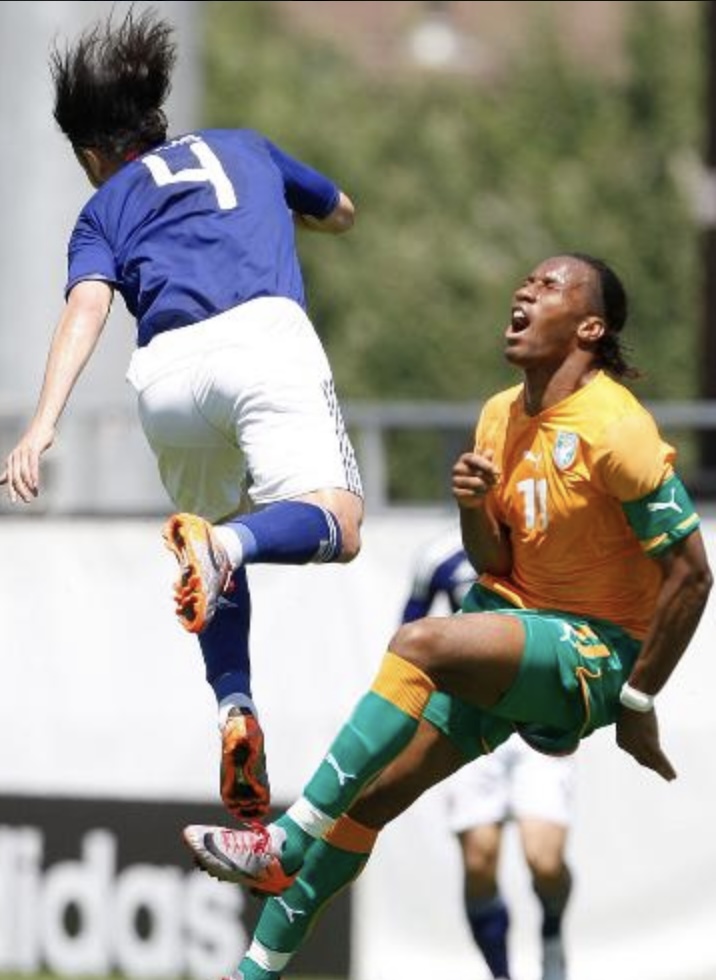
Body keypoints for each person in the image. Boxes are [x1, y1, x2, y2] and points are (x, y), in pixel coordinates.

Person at [183, 251, 712, 980]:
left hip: (594, 651)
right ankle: (252, 973)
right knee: (369, 802)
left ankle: (287, 838)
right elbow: (494, 560)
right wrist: (473, 506)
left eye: (549, 285)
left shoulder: (617, 428)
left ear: (590, 328)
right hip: (513, 625)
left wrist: (638, 700)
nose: (525, 289)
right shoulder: (499, 415)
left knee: (420, 642)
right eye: (526, 280)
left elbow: (693, 574)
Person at [0, 9, 364, 822]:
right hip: (262, 337)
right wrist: (303, 215)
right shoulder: (245, 146)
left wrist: (43, 422)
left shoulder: (103, 208)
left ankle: (235, 706)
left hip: (165, 376)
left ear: (93, 154)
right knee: (336, 524)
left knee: (213, 527)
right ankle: (225, 546)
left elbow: (88, 306)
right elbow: (341, 208)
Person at [401, 530, 575, 980]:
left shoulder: (545, 538)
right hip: (469, 721)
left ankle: (552, 934)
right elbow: (408, 638)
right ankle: (500, 973)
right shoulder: (438, 555)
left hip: (537, 720)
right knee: (479, 862)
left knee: (545, 861)